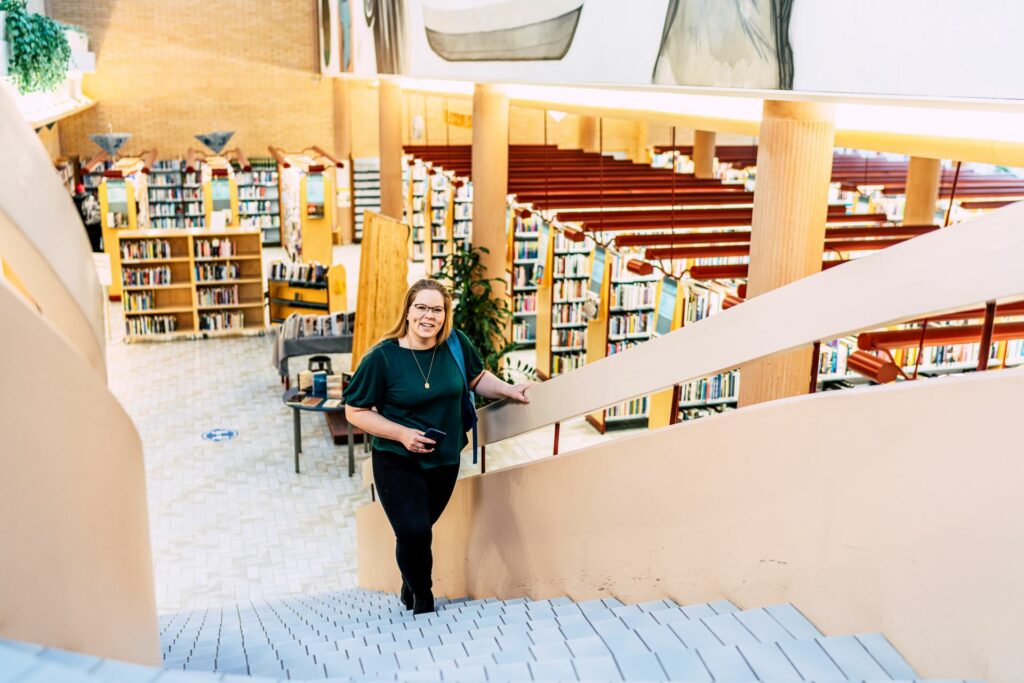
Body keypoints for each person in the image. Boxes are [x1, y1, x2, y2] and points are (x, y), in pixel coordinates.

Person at [344, 278, 532, 614]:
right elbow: (354, 411)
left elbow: (476, 378)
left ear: (445, 315)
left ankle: (409, 582)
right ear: (408, 310)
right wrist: (402, 434)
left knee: (417, 531)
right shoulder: (382, 358)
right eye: (421, 307)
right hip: (396, 459)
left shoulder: (455, 345)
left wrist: (508, 390)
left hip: (444, 460)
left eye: (437, 309)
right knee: (414, 529)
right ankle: (424, 599)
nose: (428, 316)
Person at [72, 183, 102, 252]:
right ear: (84, 190)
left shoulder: (72, 201)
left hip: (80, 229)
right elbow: (97, 211)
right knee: (95, 246)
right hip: (92, 229)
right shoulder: (90, 199)